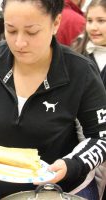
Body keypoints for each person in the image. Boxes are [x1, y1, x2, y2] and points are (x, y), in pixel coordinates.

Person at [0, 0, 106, 199]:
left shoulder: (80, 70)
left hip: (59, 190)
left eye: (32, 32)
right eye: (10, 30)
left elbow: (100, 137)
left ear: (56, 23)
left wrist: (72, 164)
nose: (19, 43)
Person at [72, 1, 106, 199]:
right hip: (84, 143)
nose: (93, 27)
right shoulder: (77, 53)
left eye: (101, 21)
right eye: (90, 20)